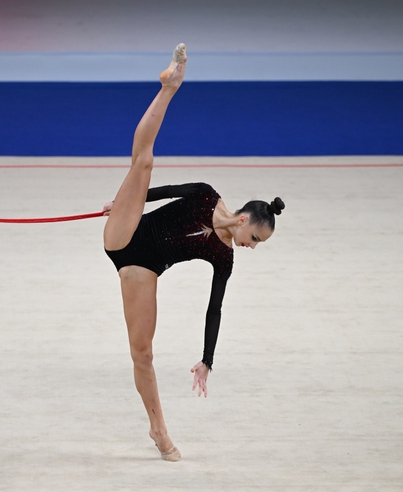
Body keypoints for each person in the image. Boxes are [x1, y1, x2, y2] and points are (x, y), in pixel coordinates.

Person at [102, 43, 285, 461]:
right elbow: (166, 191)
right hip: (128, 227)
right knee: (142, 164)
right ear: (244, 222)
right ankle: (168, 88)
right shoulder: (206, 195)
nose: (252, 249)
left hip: (142, 266)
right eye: (256, 240)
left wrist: (207, 361)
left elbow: (213, 309)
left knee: (142, 353)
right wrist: (128, 199)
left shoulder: (225, 258)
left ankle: (157, 429)